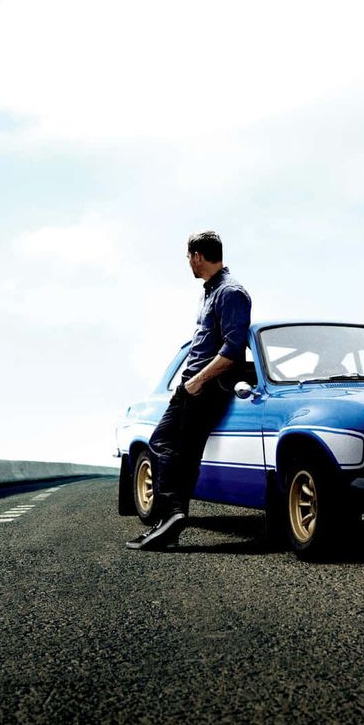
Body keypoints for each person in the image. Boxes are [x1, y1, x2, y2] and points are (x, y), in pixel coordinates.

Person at [126, 230, 252, 551]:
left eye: (188, 258)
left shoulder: (231, 292)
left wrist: (197, 382)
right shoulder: (210, 292)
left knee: (168, 444)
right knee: (176, 449)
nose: (189, 264)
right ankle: (169, 520)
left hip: (204, 388)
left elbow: (233, 349)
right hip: (192, 386)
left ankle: (172, 516)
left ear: (198, 256)